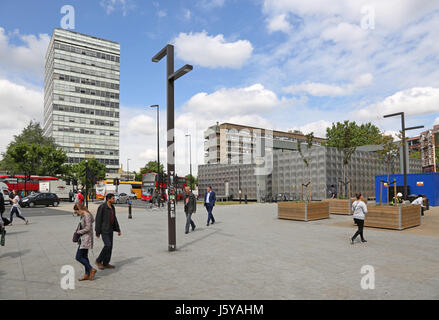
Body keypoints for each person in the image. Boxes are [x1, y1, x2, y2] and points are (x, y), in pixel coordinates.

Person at [95, 193, 121, 270]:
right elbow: (98, 220)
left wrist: (118, 229)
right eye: (113, 198)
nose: (114, 199)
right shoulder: (102, 207)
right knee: (108, 245)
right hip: (104, 230)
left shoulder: (112, 207)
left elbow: (114, 219)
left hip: (110, 230)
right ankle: (98, 261)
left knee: (110, 247)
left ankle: (106, 263)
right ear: (108, 199)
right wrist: (97, 231)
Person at [74, 204, 97, 281]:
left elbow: (88, 227)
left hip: (86, 238)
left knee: (78, 257)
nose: (77, 213)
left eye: (77, 211)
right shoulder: (85, 215)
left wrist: (78, 232)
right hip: (84, 238)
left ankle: (91, 269)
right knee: (84, 256)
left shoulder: (86, 215)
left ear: (79, 209)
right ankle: (87, 274)